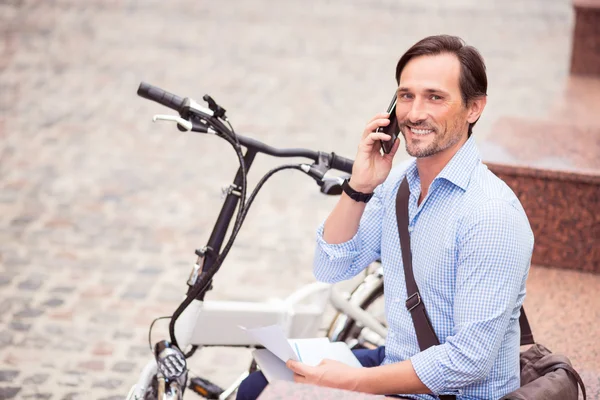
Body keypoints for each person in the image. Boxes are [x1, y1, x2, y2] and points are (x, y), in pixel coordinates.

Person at [236, 34, 534, 400]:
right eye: (406, 95)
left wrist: (350, 382)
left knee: (277, 395)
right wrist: (360, 186)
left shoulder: (491, 215)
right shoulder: (398, 184)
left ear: (474, 108)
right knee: (259, 382)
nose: (413, 113)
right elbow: (331, 267)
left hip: (451, 394)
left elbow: (469, 360)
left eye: (435, 97)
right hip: (398, 361)